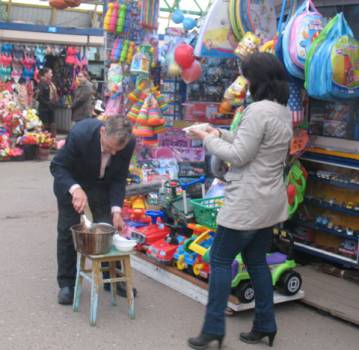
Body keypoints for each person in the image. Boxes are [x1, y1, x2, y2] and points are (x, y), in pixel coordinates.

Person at [187, 52, 293, 349]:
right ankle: (265, 324)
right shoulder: (280, 110)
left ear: (256, 80)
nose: (245, 84)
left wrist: (205, 138)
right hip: (269, 202)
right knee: (257, 262)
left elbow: (239, 155)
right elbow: (249, 144)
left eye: (247, 78)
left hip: (247, 202)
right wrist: (218, 132)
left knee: (219, 259)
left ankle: (212, 329)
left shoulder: (257, 111)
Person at [50, 117, 136, 305]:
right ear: (102, 132)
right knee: (68, 230)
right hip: (72, 180)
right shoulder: (81, 134)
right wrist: (75, 188)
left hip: (101, 184)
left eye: (117, 150)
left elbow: (119, 178)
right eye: (109, 147)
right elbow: (57, 166)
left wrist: (116, 211)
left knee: (107, 228)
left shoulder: (128, 143)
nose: (113, 153)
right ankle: (67, 284)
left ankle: (111, 278)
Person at [37, 68, 58, 136]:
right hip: (44, 109)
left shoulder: (50, 83)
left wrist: (53, 103)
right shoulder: (41, 83)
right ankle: (44, 140)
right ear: (46, 74)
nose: (52, 74)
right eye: (50, 73)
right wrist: (47, 103)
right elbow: (38, 97)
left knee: (53, 123)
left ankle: (53, 139)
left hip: (50, 107)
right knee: (44, 125)